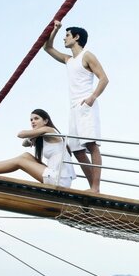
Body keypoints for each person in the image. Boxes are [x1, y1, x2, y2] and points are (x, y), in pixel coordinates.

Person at [44, 20, 109, 193]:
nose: (64, 39)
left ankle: (96, 187)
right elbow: (47, 48)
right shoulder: (68, 60)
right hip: (73, 108)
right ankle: (92, 187)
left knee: (91, 146)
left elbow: (104, 78)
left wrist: (92, 97)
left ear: (76, 37)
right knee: (76, 150)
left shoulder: (87, 56)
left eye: (67, 35)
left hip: (86, 105)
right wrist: (55, 30)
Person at [0, 109, 76, 188]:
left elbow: (21, 134)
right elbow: (24, 144)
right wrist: (34, 138)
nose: (33, 122)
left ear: (45, 121)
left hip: (59, 179)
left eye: (36, 118)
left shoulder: (49, 130)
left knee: (20, 161)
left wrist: (33, 135)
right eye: (31, 120)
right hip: (58, 176)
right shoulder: (43, 136)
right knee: (25, 156)